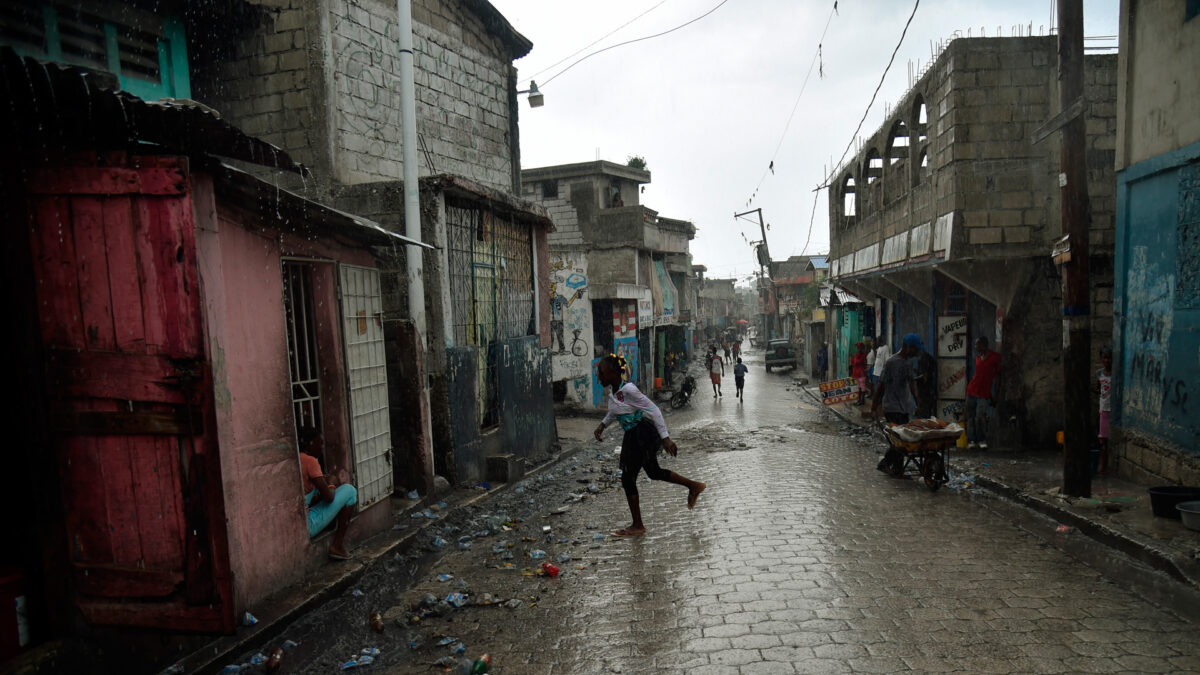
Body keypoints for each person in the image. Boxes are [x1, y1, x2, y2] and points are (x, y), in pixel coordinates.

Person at [593, 354, 705, 536]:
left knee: (628, 478)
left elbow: (653, 409)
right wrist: (602, 425)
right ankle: (693, 486)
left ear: (613, 373)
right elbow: (615, 411)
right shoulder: (614, 392)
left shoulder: (629, 389)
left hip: (640, 434)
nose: (598, 376)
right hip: (634, 435)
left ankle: (638, 525)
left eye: (601, 372)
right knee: (653, 472)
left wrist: (665, 437)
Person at [297, 428, 357, 560]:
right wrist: (330, 483)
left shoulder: (296, 459)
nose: (322, 448)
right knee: (350, 491)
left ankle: (329, 524)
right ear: (311, 443)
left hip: (298, 522)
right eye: (321, 443)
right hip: (308, 524)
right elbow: (329, 498)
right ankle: (337, 545)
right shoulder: (310, 461)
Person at [871, 333, 921, 425]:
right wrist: (874, 408)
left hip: (905, 408)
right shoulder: (891, 362)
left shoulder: (909, 362)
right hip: (892, 408)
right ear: (908, 347)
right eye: (916, 349)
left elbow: (911, 383)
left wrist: (917, 403)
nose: (916, 353)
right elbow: (881, 386)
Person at [965, 335, 1001, 450]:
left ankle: (981, 439)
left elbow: (997, 377)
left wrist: (994, 395)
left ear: (984, 345)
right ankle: (971, 440)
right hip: (972, 391)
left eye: (977, 344)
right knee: (970, 418)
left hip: (983, 394)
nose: (976, 347)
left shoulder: (995, 358)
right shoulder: (978, 358)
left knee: (979, 418)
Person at [1094, 346, 1113, 474]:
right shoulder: (1099, 374)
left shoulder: (1116, 374)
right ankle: (1103, 466)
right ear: (1101, 359)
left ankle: (1104, 466)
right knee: (1103, 440)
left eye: (1109, 358)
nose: (1107, 360)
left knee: (1108, 439)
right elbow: (1098, 389)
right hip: (1104, 409)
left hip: (1113, 410)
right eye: (1105, 358)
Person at [911, 337, 938, 418]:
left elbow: (924, 376)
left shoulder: (922, 357)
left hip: (925, 391)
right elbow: (927, 371)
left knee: (923, 413)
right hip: (928, 390)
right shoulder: (926, 356)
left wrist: (913, 379)